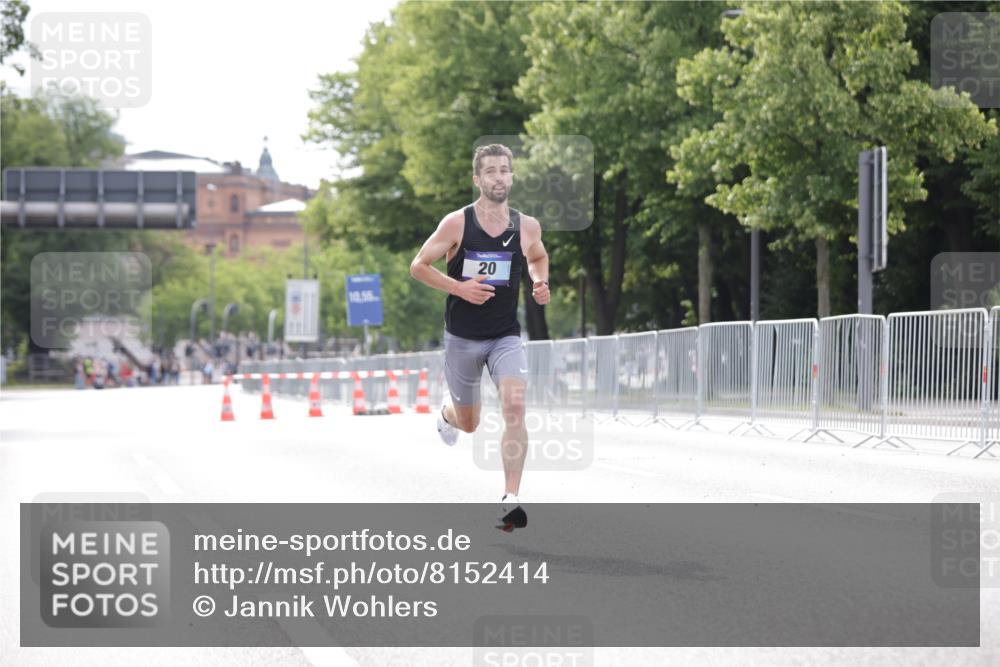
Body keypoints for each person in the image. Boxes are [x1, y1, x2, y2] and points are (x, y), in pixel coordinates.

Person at [410, 143, 550, 531]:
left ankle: (511, 499)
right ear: (478, 179)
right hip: (463, 338)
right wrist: (460, 288)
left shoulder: (527, 227)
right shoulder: (457, 223)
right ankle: (447, 415)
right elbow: (419, 266)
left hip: (505, 335)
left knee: (515, 407)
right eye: (490, 171)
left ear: (512, 176)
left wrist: (540, 282)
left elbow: (538, 257)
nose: (499, 177)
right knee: (469, 423)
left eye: (505, 170)